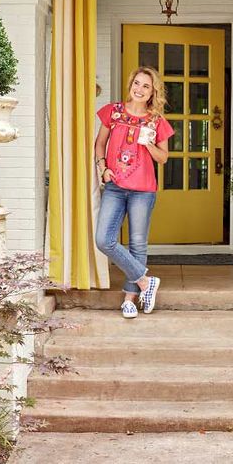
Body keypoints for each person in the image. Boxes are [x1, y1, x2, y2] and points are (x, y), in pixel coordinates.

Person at [94, 67, 174, 319]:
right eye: (136, 83)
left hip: (143, 191)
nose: (139, 89)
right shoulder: (113, 112)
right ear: (130, 85)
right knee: (103, 239)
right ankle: (145, 282)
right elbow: (100, 144)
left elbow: (163, 158)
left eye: (145, 86)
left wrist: (148, 142)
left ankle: (129, 300)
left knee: (137, 243)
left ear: (153, 92)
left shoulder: (156, 121)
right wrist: (103, 168)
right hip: (115, 187)